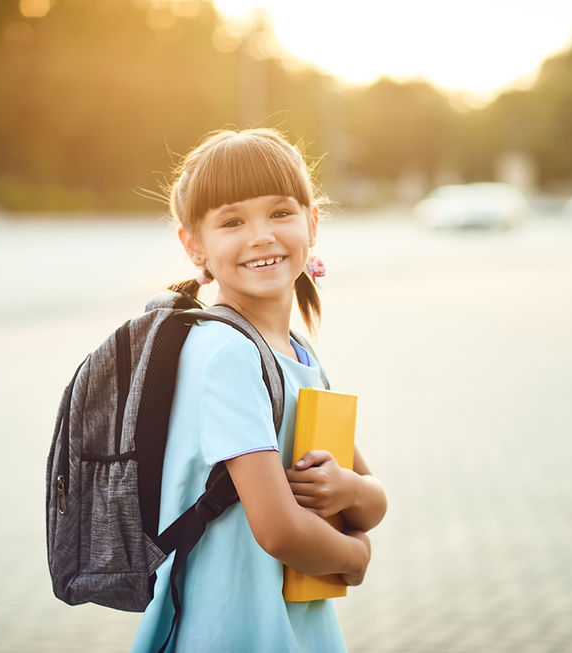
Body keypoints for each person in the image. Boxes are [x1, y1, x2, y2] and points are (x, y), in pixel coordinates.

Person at [131, 128, 388, 652]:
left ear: (312, 222)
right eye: (231, 221)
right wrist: (355, 558)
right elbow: (280, 530)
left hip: (294, 621)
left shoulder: (299, 353)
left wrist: (348, 491)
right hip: (234, 625)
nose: (261, 236)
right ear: (193, 244)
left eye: (280, 213)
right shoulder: (226, 354)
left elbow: (371, 498)